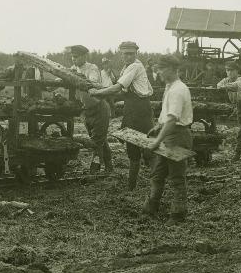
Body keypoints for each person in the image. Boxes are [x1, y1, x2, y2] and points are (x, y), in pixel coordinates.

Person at [89, 41, 154, 190]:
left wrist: (98, 93)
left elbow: (118, 87)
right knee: (132, 149)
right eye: (125, 53)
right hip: (131, 110)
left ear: (136, 54)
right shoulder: (126, 68)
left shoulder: (135, 66)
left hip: (141, 111)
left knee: (148, 148)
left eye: (131, 53)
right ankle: (131, 187)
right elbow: (120, 91)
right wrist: (100, 89)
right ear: (121, 54)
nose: (128, 56)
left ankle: (156, 184)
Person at [143, 55, 193, 223]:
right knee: (157, 174)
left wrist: (157, 141)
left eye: (161, 69)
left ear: (172, 69)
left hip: (177, 136)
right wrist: (158, 127)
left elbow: (172, 120)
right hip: (169, 134)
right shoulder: (170, 87)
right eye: (157, 69)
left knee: (177, 177)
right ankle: (151, 207)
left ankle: (178, 215)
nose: (158, 73)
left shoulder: (178, 90)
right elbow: (167, 117)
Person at [69, 45, 112, 174]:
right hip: (86, 111)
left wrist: (76, 77)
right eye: (72, 57)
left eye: (76, 57)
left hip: (99, 109)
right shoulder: (73, 68)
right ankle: (109, 168)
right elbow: (63, 78)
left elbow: (93, 82)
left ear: (84, 56)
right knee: (101, 140)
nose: (73, 59)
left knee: (96, 142)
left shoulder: (92, 68)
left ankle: (94, 171)